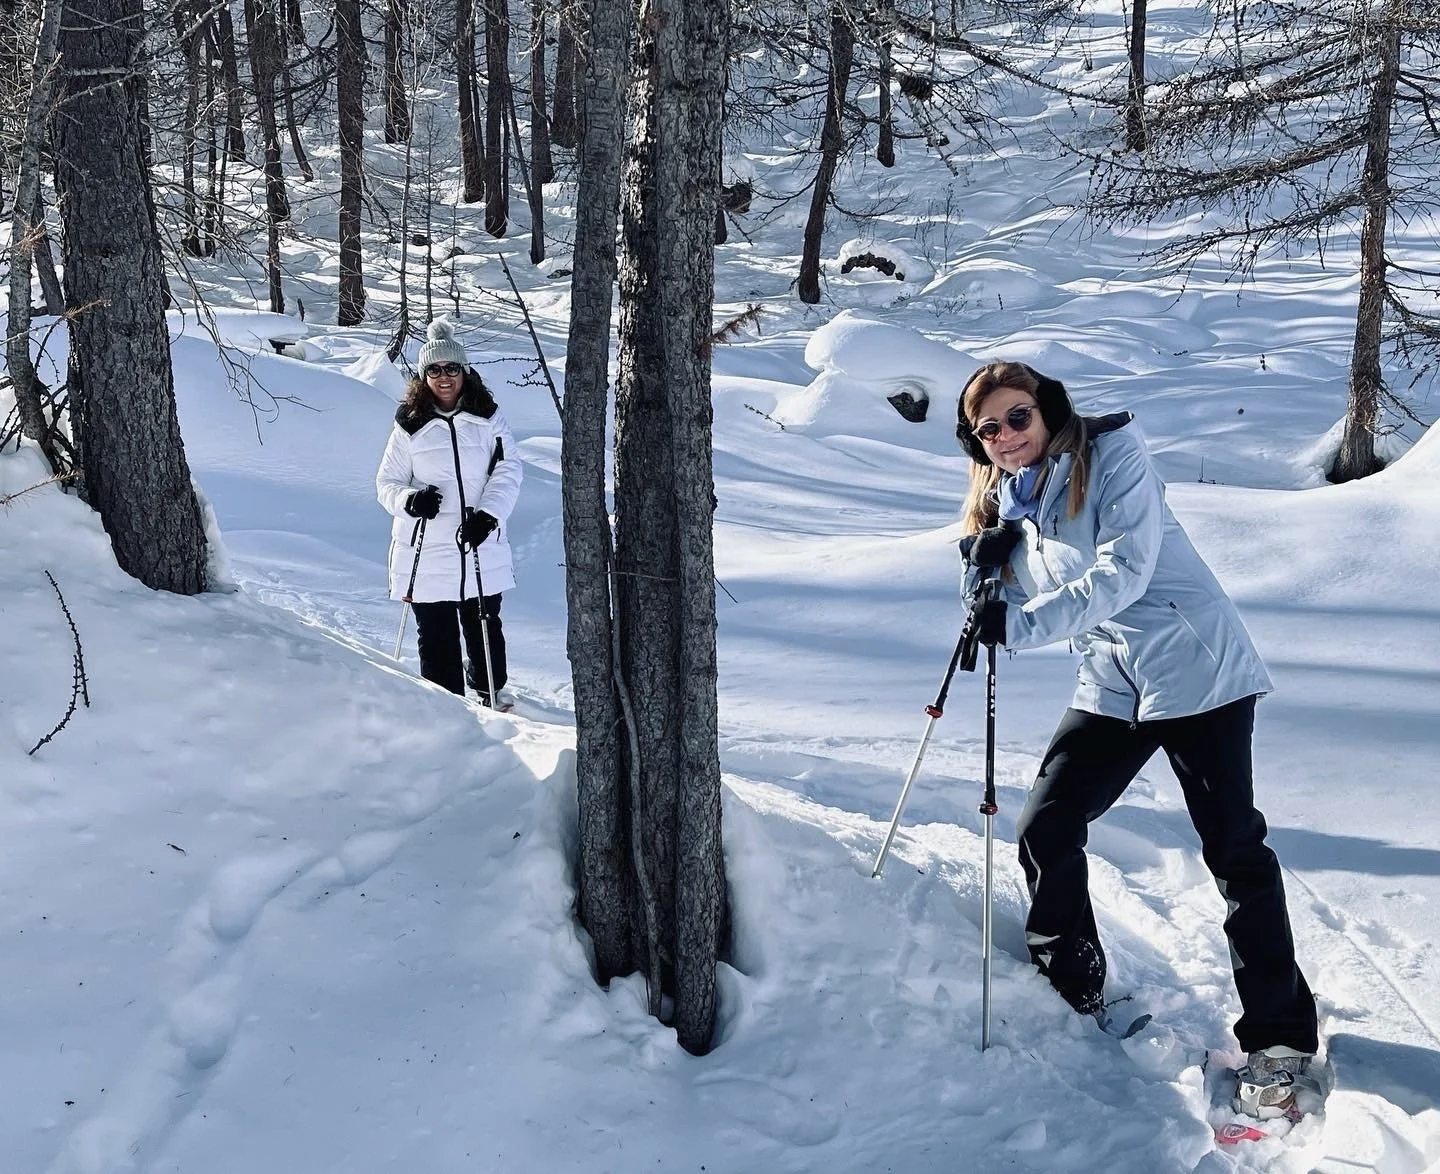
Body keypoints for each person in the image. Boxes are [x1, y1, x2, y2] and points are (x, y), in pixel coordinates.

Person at [955, 360, 1318, 1118]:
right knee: (1047, 822)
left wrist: (1017, 623)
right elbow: (1004, 602)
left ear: (1047, 409)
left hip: (1198, 669)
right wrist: (982, 570)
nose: (1006, 436)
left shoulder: (1113, 457)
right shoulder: (1006, 501)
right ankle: (1074, 980)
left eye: (1017, 417)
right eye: (988, 429)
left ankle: (1279, 1042)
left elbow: (1123, 573)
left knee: (1234, 851)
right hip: (1115, 680)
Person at [376, 318, 523, 708]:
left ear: (465, 371)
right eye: (435, 370)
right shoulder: (410, 423)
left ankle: (490, 691)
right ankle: (447, 709)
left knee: (485, 626)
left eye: (452, 368)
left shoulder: (488, 417)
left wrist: (488, 515)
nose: (444, 377)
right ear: (424, 376)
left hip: (479, 542)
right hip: (427, 550)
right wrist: (411, 501)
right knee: (436, 635)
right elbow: (386, 483)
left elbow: (508, 469)